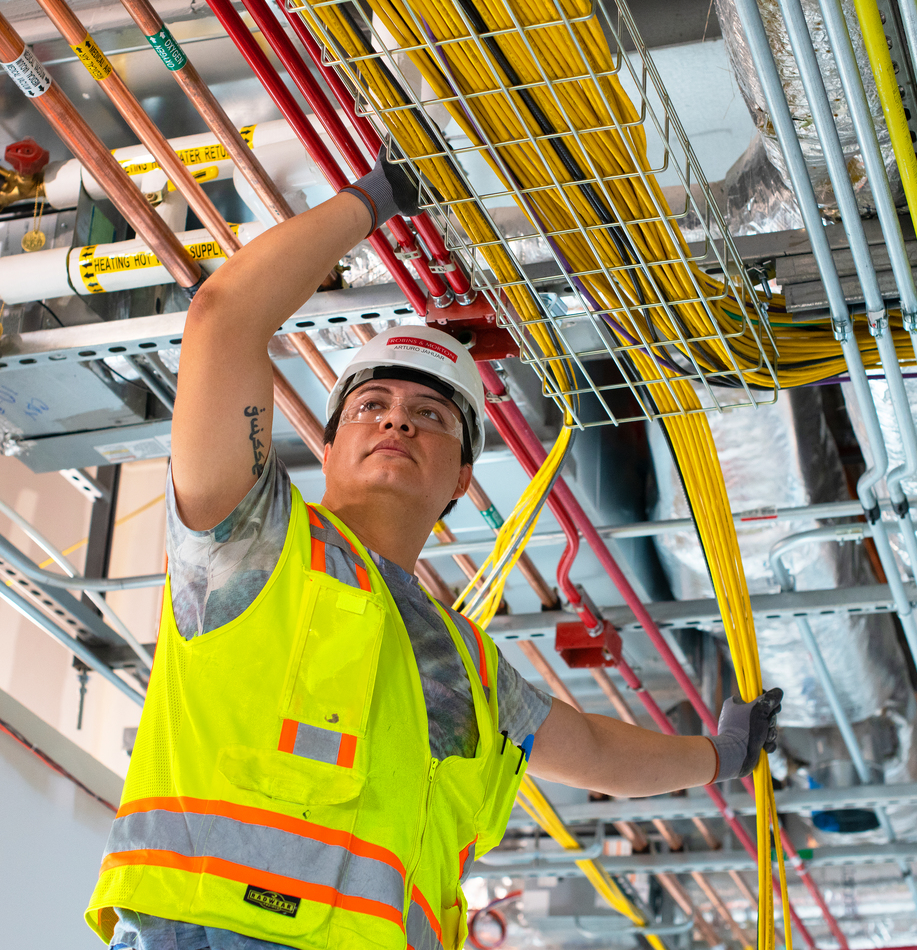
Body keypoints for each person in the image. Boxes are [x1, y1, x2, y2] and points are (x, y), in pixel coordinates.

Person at [85, 153, 784, 950]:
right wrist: (378, 196)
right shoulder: (251, 541)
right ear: (331, 440)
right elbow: (224, 317)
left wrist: (719, 757)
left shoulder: (473, 671)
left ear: (459, 478)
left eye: (430, 413)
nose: (396, 421)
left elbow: (592, 749)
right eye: (372, 405)